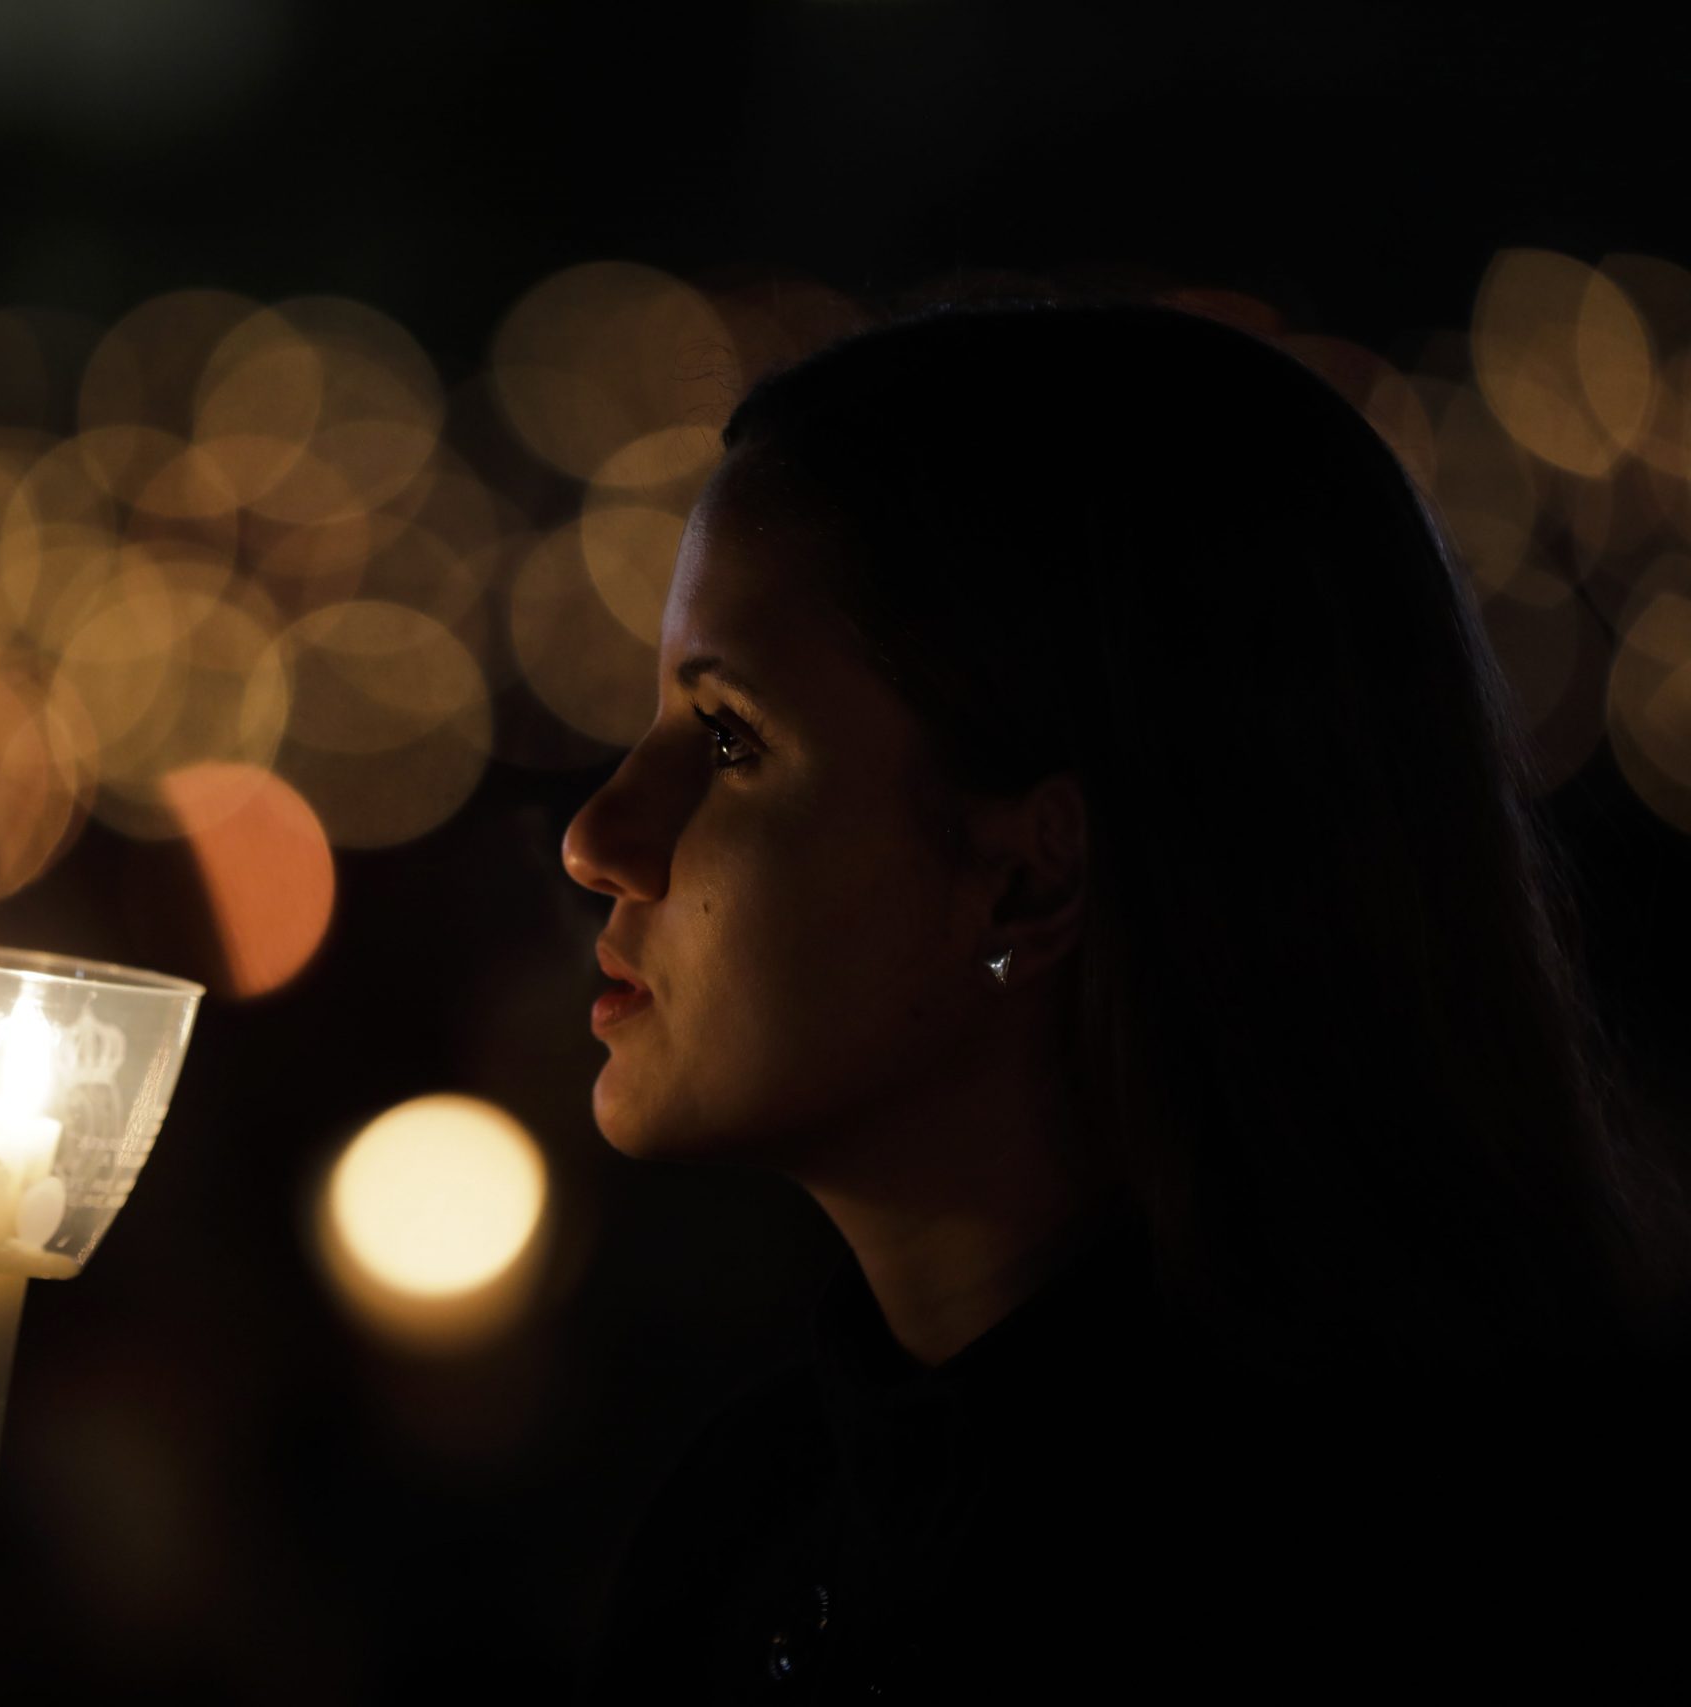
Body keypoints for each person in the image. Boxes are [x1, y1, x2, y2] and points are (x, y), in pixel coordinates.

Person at [560, 298, 1691, 1696]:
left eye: (727, 738)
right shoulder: (756, 1524)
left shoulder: (1392, 1573)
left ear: (1031, 883)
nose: (598, 835)